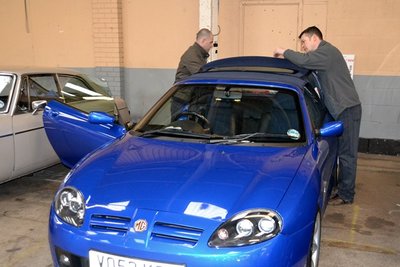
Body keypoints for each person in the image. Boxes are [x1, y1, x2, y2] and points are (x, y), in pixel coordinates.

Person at [273, 26, 362, 205]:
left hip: (347, 109)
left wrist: (283, 52)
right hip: (338, 110)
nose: (303, 46)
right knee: (337, 152)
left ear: (315, 39)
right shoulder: (322, 56)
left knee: (347, 154)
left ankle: (346, 195)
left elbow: (304, 60)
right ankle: (338, 187)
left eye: (304, 42)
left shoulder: (327, 52)